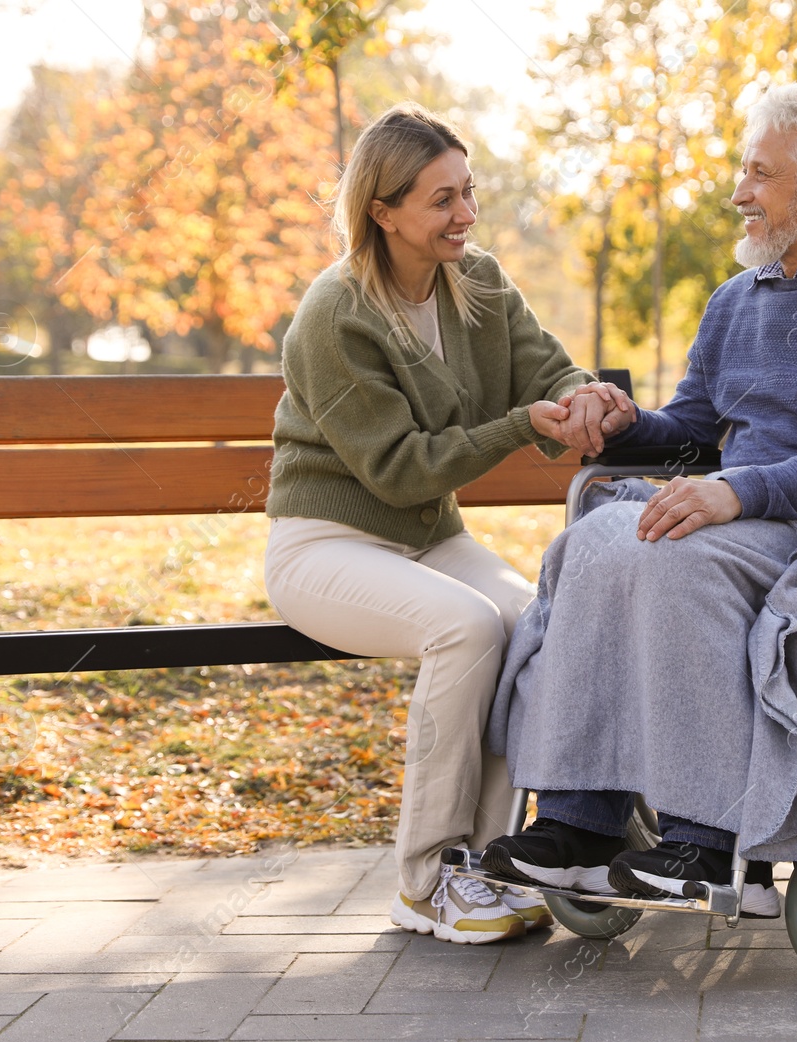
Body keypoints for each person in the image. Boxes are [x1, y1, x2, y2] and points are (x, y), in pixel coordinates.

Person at [483, 81, 797, 917]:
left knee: (678, 557)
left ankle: (708, 840)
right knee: (595, 541)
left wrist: (736, 492)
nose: (739, 193)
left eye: (759, 174)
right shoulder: (733, 299)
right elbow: (694, 430)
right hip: (743, 510)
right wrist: (623, 423)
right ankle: (579, 820)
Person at [262, 103, 633, 945]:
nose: (464, 214)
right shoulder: (336, 314)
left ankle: (491, 863)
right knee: (466, 627)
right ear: (383, 212)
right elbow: (400, 469)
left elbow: (545, 364)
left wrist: (583, 396)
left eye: (469, 192)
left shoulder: (480, 280)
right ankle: (427, 879)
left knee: (531, 620)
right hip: (326, 545)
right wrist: (521, 426)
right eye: (441, 200)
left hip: (428, 539)